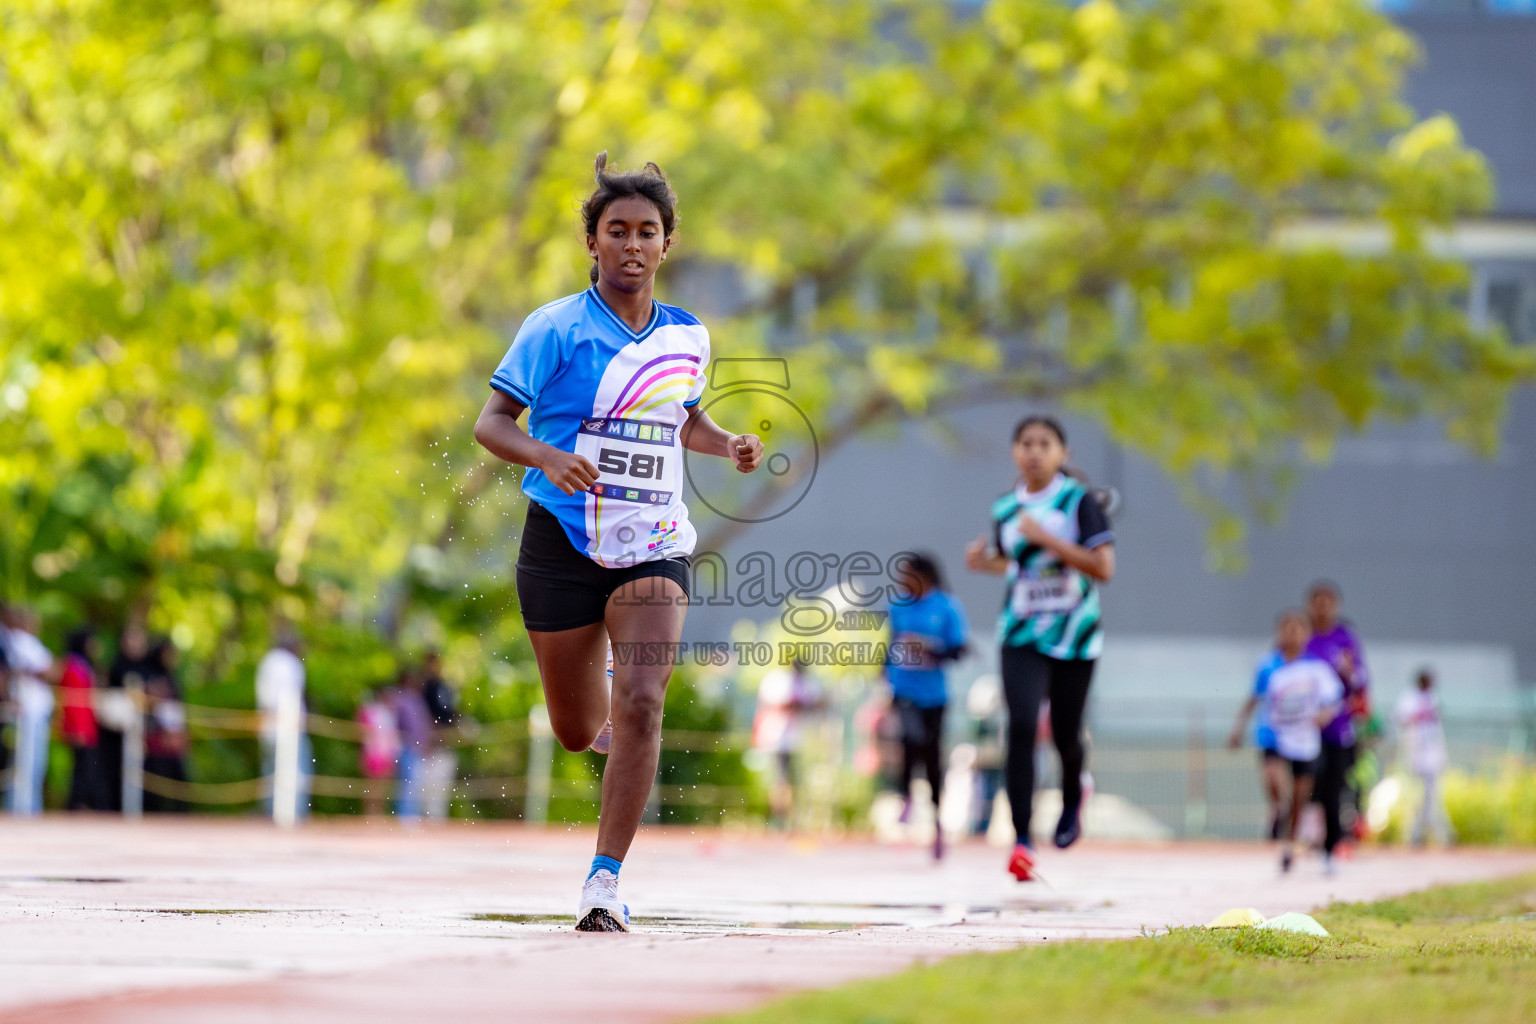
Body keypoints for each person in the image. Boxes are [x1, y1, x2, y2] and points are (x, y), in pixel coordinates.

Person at [472, 153, 763, 931]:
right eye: (616, 231)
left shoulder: (689, 337)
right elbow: (491, 423)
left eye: (648, 231)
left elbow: (683, 419)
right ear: (592, 243)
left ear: (668, 244)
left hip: (653, 543)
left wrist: (725, 440)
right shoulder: (554, 328)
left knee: (642, 701)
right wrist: (547, 455)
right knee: (576, 732)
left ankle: (603, 882)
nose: (632, 245)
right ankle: (597, 698)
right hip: (562, 541)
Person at [966, 415, 1115, 882]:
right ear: (1014, 452)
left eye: (1044, 443)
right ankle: (1023, 840)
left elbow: (1104, 568)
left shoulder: (1079, 502)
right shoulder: (1006, 508)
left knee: (1067, 735)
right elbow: (1015, 564)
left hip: (1074, 634)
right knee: (1022, 726)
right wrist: (982, 562)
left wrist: (1048, 539)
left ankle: (1074, 797)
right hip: (1021, 633)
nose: (1034, 451)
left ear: (1062, 453)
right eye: (1025, 443)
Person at [886, 553, 969, 860]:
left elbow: (958, 649)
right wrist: (884, 681)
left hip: (935, 694)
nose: (903, 581)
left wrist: (930, 648)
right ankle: (905, 795)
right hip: (904, 688)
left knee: (932, 756)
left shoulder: (946, 606)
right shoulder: (897, 607)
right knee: (910, 739)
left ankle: (937, 824)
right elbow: (889, 645)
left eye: (909, 575)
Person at [1263, 609, 1345, 874]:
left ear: (1306, 634)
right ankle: (1277, 807)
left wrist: (1324, 714)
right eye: (1287, 628)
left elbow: (1335, 698)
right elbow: (1260, 701)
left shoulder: (1316, 669)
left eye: (1298, 628)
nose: (1292, 634)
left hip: (1305, 743)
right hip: (1277, 738)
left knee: (1299, 799)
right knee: (1275, 782)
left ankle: (1288, 846)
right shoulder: (1272, 669)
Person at [1304, 581, 1370, 861]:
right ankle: (1307, 836)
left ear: (1336, 605)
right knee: (1308, 781)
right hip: (1305, 726)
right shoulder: (1302, 636)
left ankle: (1334, 841)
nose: (1322, 606)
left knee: (1336, 781)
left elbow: (1362, 681)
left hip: (1338, 725)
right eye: (1316, 600)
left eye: (1327, 600)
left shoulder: (1345, 638)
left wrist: (1349, 671)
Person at [753, 658, 824, 830]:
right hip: (777, 738)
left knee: (793, 781)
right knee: (781, 781)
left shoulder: (804, 683)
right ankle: (779, 818)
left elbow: (818, 703)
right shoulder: (781, 681)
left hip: (795, 740)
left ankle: (791, 819)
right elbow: (777, 706)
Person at [1227, 648, 1290, 840]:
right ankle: (1278, 811)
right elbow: (1254, 696)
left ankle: (1290, 816)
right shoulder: (1268, 665)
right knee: (1271, 776)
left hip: (1298, 737)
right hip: (1270, 733)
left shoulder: (1310, 663)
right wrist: (1238, 728)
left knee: (1293, 780)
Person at [3, 607, 56, 816]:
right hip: (28, 710)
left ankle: (29, 805)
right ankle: (22, 806)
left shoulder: (24, 642)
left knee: (34, 763)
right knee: (26, 762)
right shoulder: (19, 640)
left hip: (36, 711)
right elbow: (48, 670)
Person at [255, 628, 310, 823]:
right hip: (288, 726)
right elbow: (291, 697)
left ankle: (271, 811)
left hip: (268, 725)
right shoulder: (290, 664)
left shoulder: (268, 661)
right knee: (294, 771)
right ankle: (294, 813)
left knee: (271, 772)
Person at [1396, 667, 1453, 847]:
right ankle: (1414, 834)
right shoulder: (1409, 697)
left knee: (1433, 795)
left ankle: (1439, 832)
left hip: (1432, 753)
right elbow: (1401, 719)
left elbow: (1437, 724)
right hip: (1415, 752)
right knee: (1415, 795)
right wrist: (1418, 716)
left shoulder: (1432, 697)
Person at [60, 628, 110, 811]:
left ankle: (85, 804)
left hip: (88, 726)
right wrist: (75, 728)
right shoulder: (73, 665)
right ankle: (78, 805)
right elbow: (71, 700)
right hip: (79, 728)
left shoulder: (85, 665)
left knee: (88, 768)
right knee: (82, 769)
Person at [142, 640, 190, 813]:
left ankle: (180, 811)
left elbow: (178, 706)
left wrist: (181, 734)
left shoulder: (173, 676)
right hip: (156, 736)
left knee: (179, 777)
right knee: (155, 776)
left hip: (174, 736)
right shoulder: (149, 675)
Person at [419, 651, 461, 820]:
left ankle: (436, 818)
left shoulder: (444, 687)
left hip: (444, 740)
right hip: (426, 741)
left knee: (441, 784)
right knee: (424, 785)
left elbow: (451, 712)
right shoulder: (424, 687)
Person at [965, 675, 1007, 838]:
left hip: (1002, 762)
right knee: (984, 797)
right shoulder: (983, 719)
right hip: (987, 763)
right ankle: (980, 829)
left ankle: (1022, 827)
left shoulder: (1004, 716)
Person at [356, 686, 401, 818]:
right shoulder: (370, 711)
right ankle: (370, 813)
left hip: (384, 754)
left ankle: (377, 813)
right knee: (371, 785)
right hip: (373, 753)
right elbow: (363, 733)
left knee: (382, 786)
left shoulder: (388, 713)